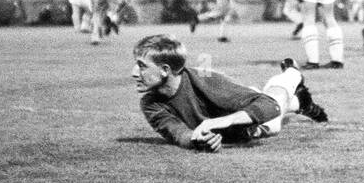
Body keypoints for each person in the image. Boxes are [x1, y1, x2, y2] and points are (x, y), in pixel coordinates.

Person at [132, 34, 329, 153]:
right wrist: (197, 140)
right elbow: (176, 132)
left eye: (141, 66)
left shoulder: (203, 79)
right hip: (242, 127)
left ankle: (292, 73)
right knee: (283, 105)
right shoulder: (150, 102)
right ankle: (300, 103)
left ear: (165, 70)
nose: (134, 72)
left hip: (250, 114)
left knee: (276, 99)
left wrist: (220, 122)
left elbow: (270, 106)